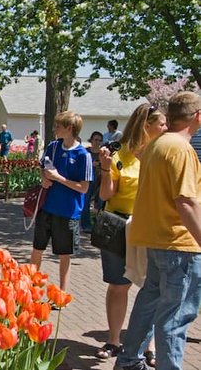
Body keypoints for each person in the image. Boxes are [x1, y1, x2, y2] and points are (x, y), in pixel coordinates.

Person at [114, 92, 201, 370]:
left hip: (156, 241)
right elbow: (185, 202)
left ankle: (128, 361)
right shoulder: (181, 148)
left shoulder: (156, 145)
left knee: (149, 304)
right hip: (179, 243)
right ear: (197, 116)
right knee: (174, 317)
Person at [94, 102, 166, 365]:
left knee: (151, 287)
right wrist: (104, 167)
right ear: (146, 126)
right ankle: (114, 339)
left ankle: (150, 345)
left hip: (151, 226)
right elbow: (105, 195)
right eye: (161, 124)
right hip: (119, 224)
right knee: (119, 285)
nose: (166, 128)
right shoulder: (119, 155)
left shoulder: (162, 153)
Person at [30, 111, 92, 293]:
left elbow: (84, 187)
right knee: (37, 249)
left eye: (58, 126)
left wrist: (59, 178)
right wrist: (44, 178)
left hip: (68, 211)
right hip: (47, 207)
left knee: (64, 254)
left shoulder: (83, 155)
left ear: (69, 128)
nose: (55, 128)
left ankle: (62, 293)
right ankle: (31, 288)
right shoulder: (53, 146)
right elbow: (43, 167)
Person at [80, 131, 104, 233]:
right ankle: (86, 225)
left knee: (100, 205)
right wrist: (91, 164)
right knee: (85, 204)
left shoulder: (102, 153)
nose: (97, 142)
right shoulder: (86, 152)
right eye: (95, 140)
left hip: (100, 181)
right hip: (88, 180)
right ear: (91, 140)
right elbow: (80, 165)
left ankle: (99, 226)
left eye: (99, 140)